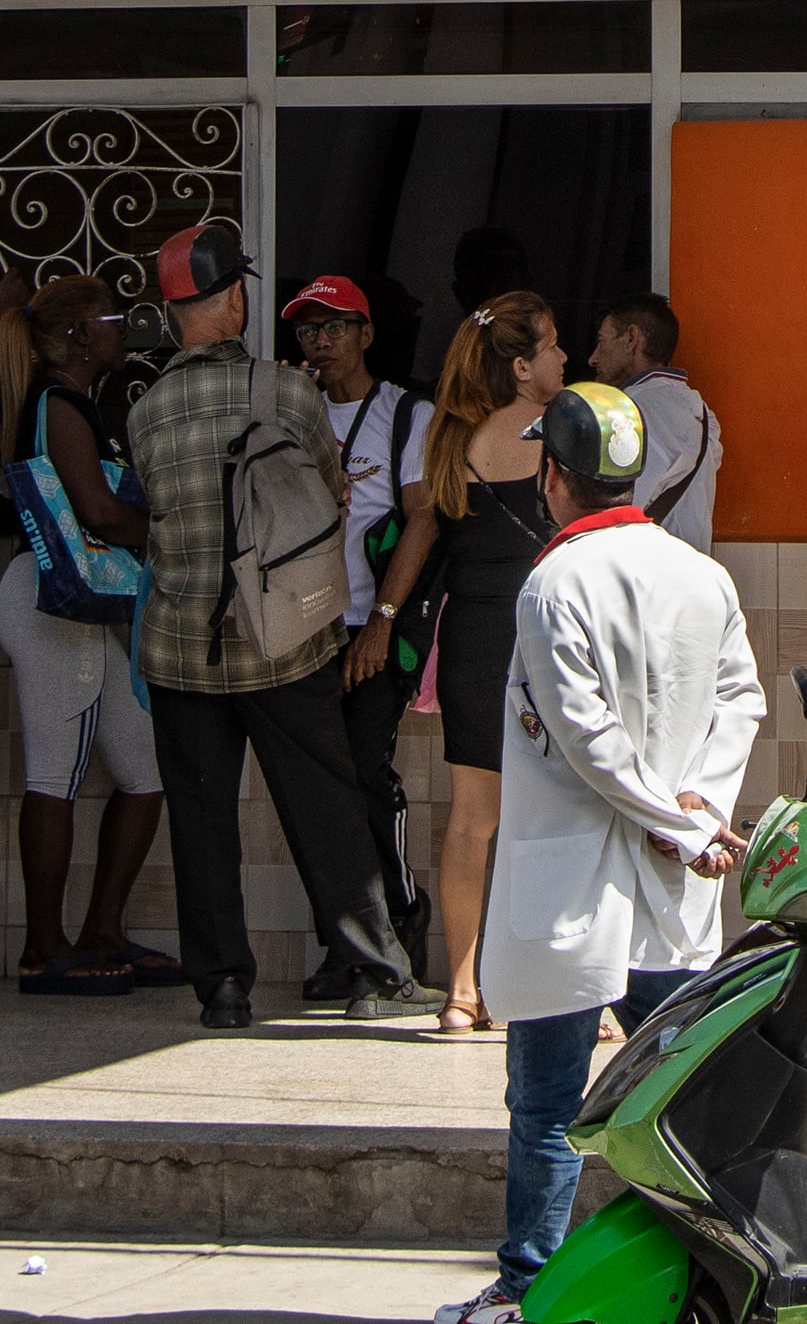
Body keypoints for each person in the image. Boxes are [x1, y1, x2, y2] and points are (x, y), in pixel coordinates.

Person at [463, 382, 764, 1324]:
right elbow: (740, 701)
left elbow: (582, 738)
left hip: (575, 895)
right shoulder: (700, 574)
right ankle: (700, 1281)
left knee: (548, 1107)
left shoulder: (553, 584)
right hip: (675, 891)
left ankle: (528, 1291)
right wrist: (701, 812)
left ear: (554, 474)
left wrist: (679, 821)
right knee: (684, 1108)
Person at [128, 218, 416, 1028]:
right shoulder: (288, 394)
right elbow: (332, 497)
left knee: (201, 819)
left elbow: (154, 508)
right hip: (283, 641)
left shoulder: (145, 412)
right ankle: (369, 969)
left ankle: (221, 985)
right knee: (324, 803)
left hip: (180, 647)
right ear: (233, 302)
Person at [363, 290, 570, 1033]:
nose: (563, 357)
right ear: (521, 366)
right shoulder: (562, 433)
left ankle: (460, 991)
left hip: (475, 644)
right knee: (554, 820)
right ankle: (557, 994)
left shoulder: (449, 440)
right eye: (550, 347)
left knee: (470, 824)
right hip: (549, 642)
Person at [0, 279, 172, 990]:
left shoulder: (78, 403)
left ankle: (101, 931)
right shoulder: (56, 402)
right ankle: (43, 947)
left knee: (144, 771)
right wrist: (175, 541)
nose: (122, 328)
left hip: (89, 602)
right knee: (55, 773)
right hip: (50, 601)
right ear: (76, 335)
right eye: (111, 318)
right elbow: (97, 512)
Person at [294, 273, 436, 993]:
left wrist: (381, 621)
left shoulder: (405, 412)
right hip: (304, 627)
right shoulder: (294, 412)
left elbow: (422, 517)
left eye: (335, 326)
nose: (321, 342)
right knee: (320, 788)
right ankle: (343, 942)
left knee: (364, 774)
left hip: (370, 626)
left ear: (366, 334)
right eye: (308, 330)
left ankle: (400, 917)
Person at [587, 294, 723, 555]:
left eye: (602, 342)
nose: (593, 358)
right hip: (691, 575)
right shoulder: (702, 412)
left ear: (631, 338)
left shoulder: (627, 411)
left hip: (645, 578)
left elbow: (616, 514)